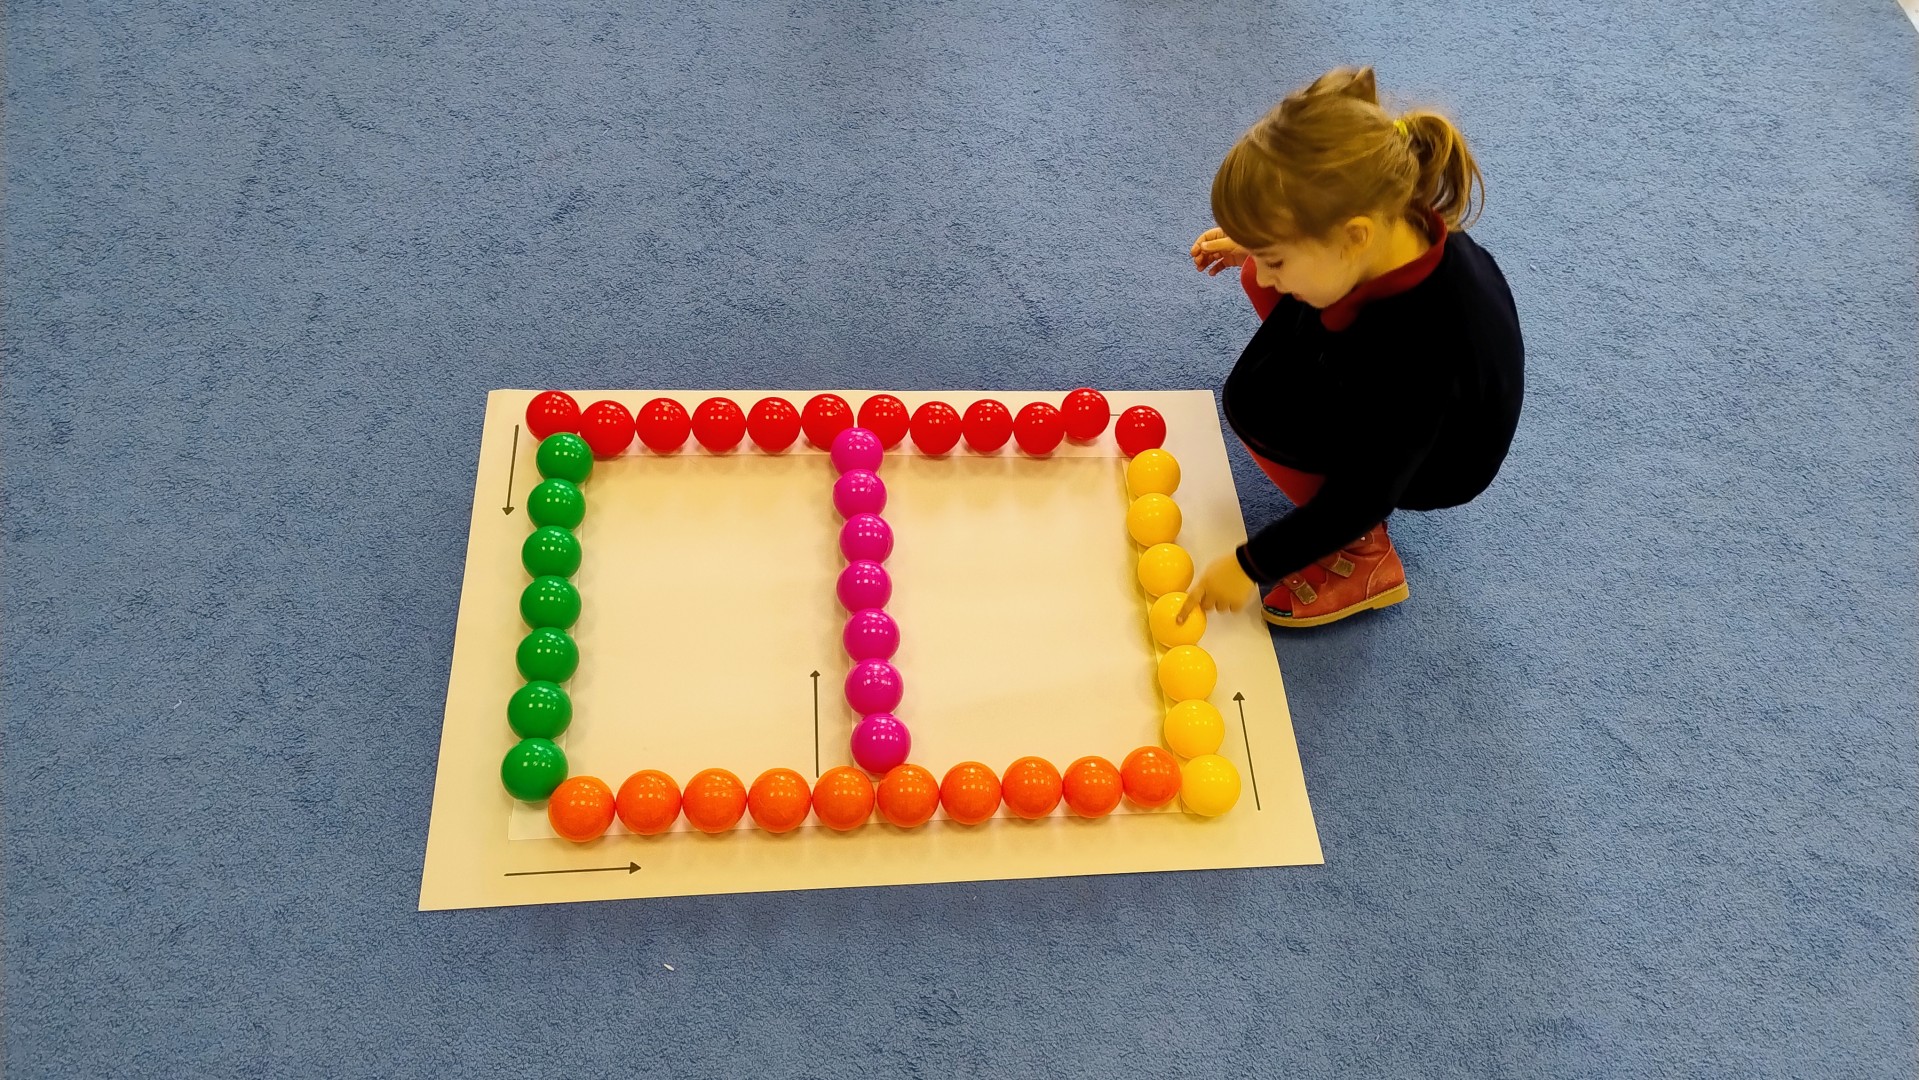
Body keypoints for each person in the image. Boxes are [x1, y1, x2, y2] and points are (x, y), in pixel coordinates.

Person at [1181, 66, 1524, 629]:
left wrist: (1251, 564)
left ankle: (1364, 552)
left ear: (1353, 236)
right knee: (1259, 289)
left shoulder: (1419, 349)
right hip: (1397, 377)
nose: (1264, 273)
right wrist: (1261, 242)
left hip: (1438, 458)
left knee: (1253, 406)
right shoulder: (1393, 221)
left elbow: (1366, 491)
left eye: (1277, 257)